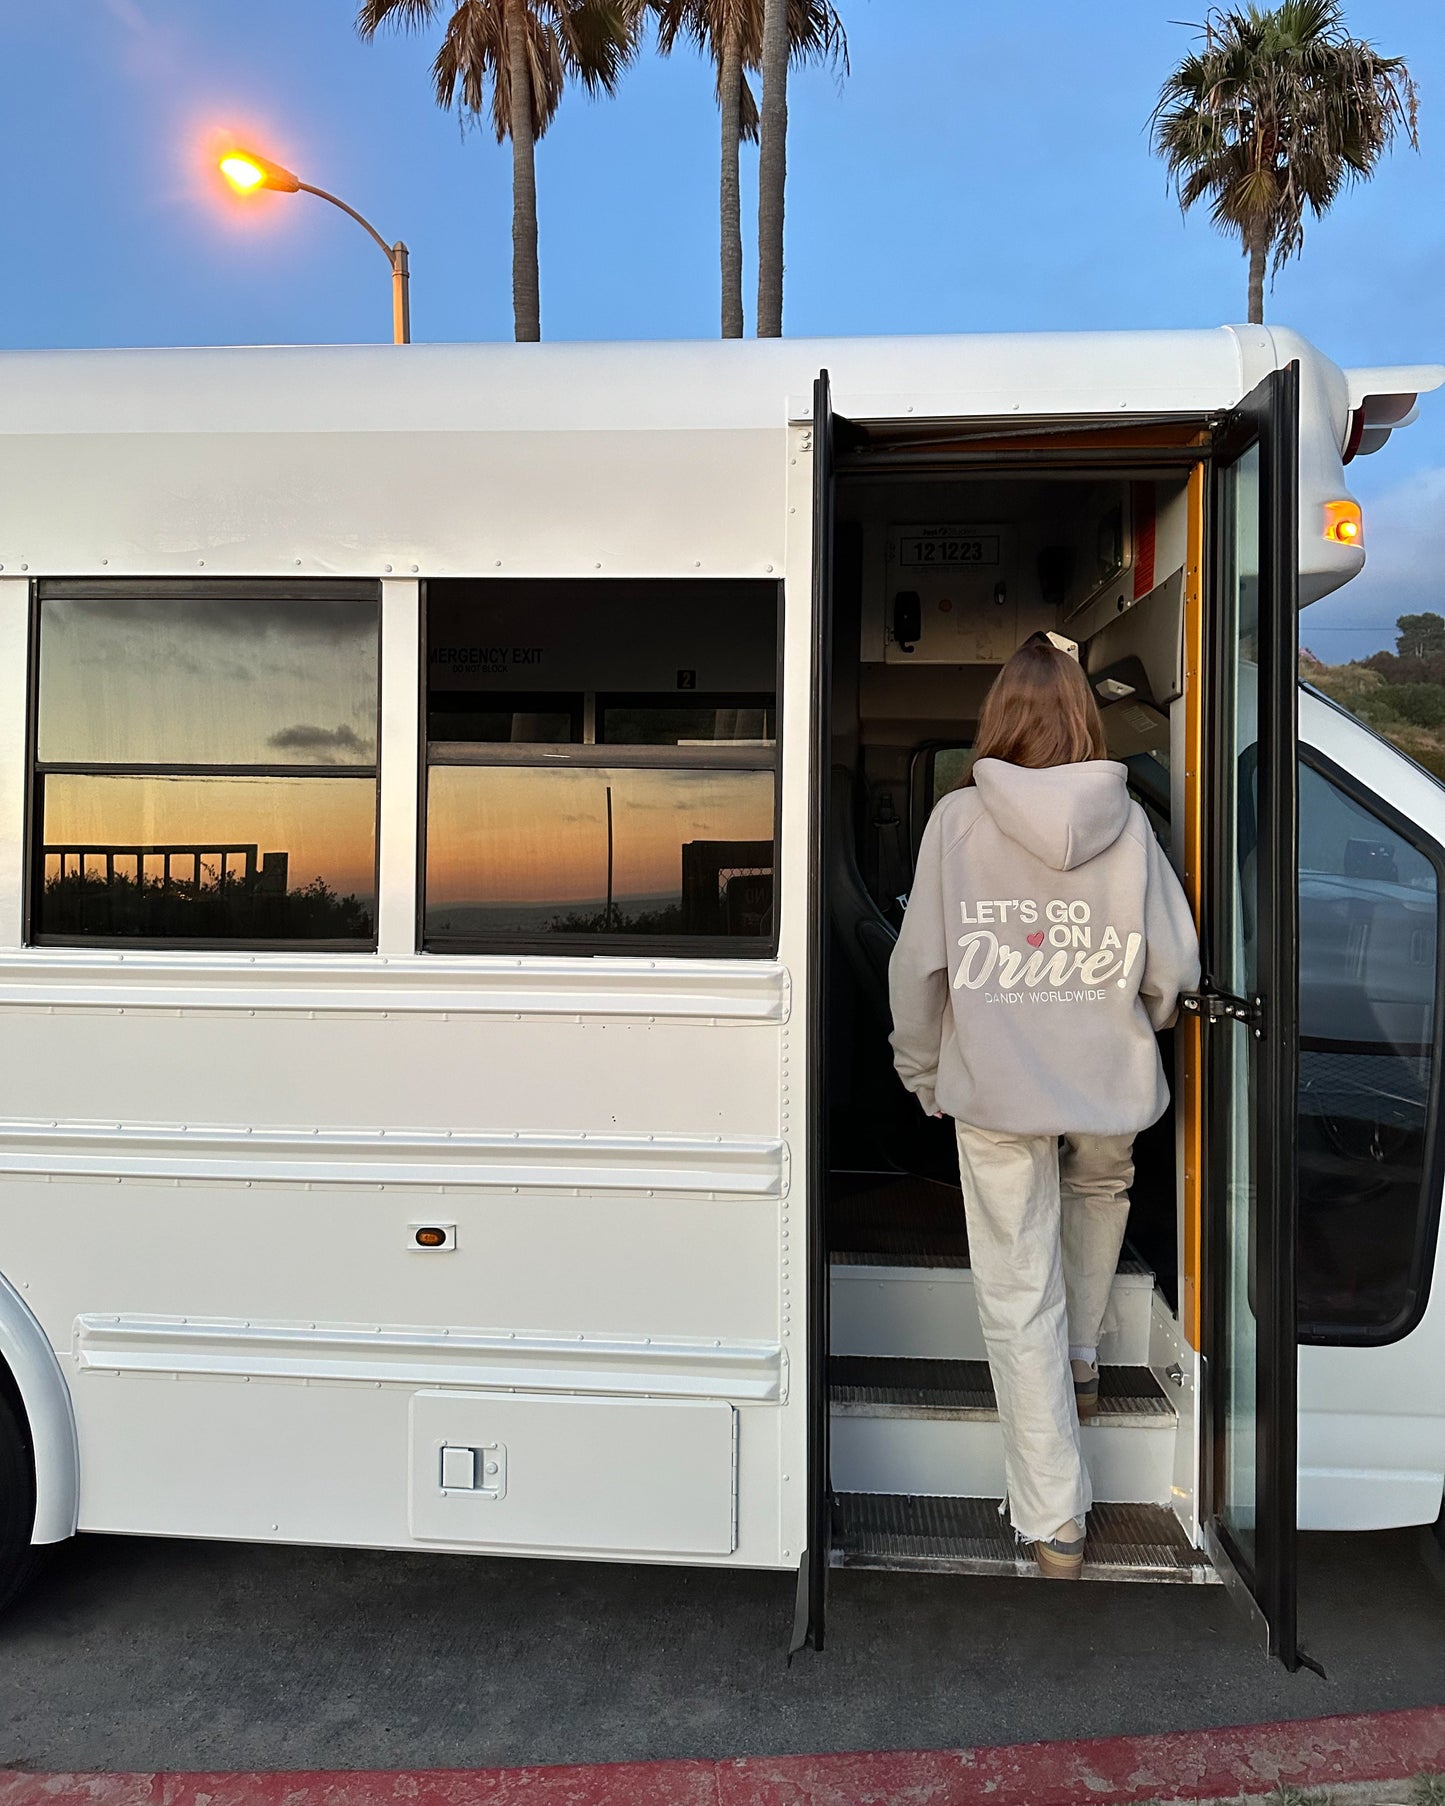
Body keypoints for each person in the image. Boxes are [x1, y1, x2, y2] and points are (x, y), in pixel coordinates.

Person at [887, 633, 1200, 1579]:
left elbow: (921, 966)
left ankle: (1055, 1519)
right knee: (1102, 1191)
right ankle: (1084, 1362)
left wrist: (921, 1069)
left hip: (996, 1085)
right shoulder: (1130, 821)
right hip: (1108, 1076)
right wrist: (1127, 1023)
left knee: (1015, 1291)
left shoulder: (955, 821)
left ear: (999, 720)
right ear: (1081, 717)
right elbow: (1173, 968)